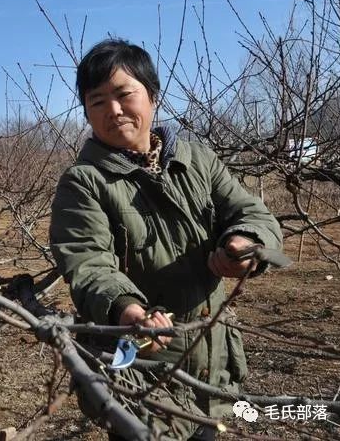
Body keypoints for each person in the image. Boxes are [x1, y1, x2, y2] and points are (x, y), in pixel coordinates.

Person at [49, 39, 282, 440]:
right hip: (144, 367)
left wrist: (244, 244)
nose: (114, 110)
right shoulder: (83, 182)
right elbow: (87, 262)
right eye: (97, 101)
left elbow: (250, 212)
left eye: (124, 94)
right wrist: (127, 310)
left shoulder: (196, 159)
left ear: (153, 96)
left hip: (212, 355)